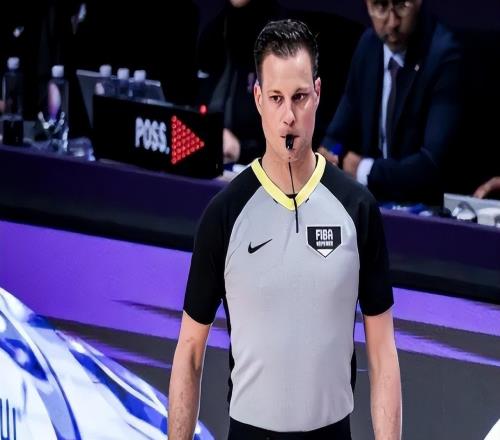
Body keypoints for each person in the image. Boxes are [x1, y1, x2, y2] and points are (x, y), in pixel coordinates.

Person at [168, 19, 401, 440]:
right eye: (276, 98)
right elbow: (189, 353)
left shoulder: (357, 209)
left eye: (299, 97)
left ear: (318, 93)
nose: (288, 116)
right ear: (258, 98)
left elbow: (383, 353)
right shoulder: (225, 214)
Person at [319, 0, 463, 204]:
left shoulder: (444, 55)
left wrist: (363, 169)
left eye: (402, 5)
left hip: (426, 208)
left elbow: (432, 164)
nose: (393, 22)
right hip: (373, 205)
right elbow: (337, 135)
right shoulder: (369, 46)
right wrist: (327, 157)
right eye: (380, 6)